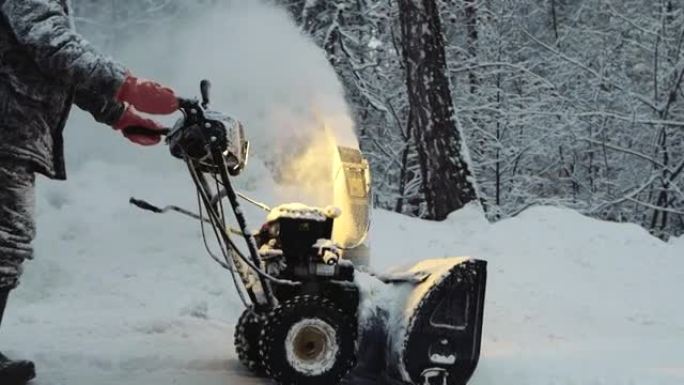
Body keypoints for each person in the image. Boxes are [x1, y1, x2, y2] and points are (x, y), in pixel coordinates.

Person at [0, 1, 178, 383]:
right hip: (6, 131)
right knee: (6, 242)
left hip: (14, 130)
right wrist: (129, 86)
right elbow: (55, 46)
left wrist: (119, 115)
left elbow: (53, 67)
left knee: (7, 242)